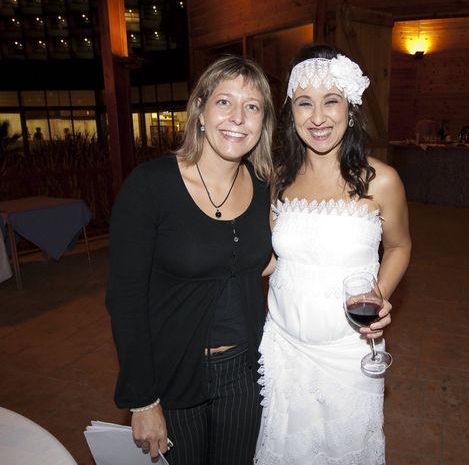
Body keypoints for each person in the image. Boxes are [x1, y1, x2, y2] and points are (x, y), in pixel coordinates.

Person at [105, 55, 276, 465]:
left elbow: (261, 263)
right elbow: (125, 299)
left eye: (252, 106)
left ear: (262, 122)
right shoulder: (151, 186)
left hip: (245, 371)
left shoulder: (263, 185)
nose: (238, 117)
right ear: (199, 109)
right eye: (224, 102)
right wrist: (143, 399)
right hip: (174, 370)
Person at [254, 44, 412, 464]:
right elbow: (270, 260)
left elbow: (399, 245)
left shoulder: (382, 181)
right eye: (305, 103)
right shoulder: (278, 182)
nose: (318, 117)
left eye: (331, 102)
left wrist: (379, 294)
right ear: (291, 112)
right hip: (283, 347)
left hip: (349, 350)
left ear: (351, 108)